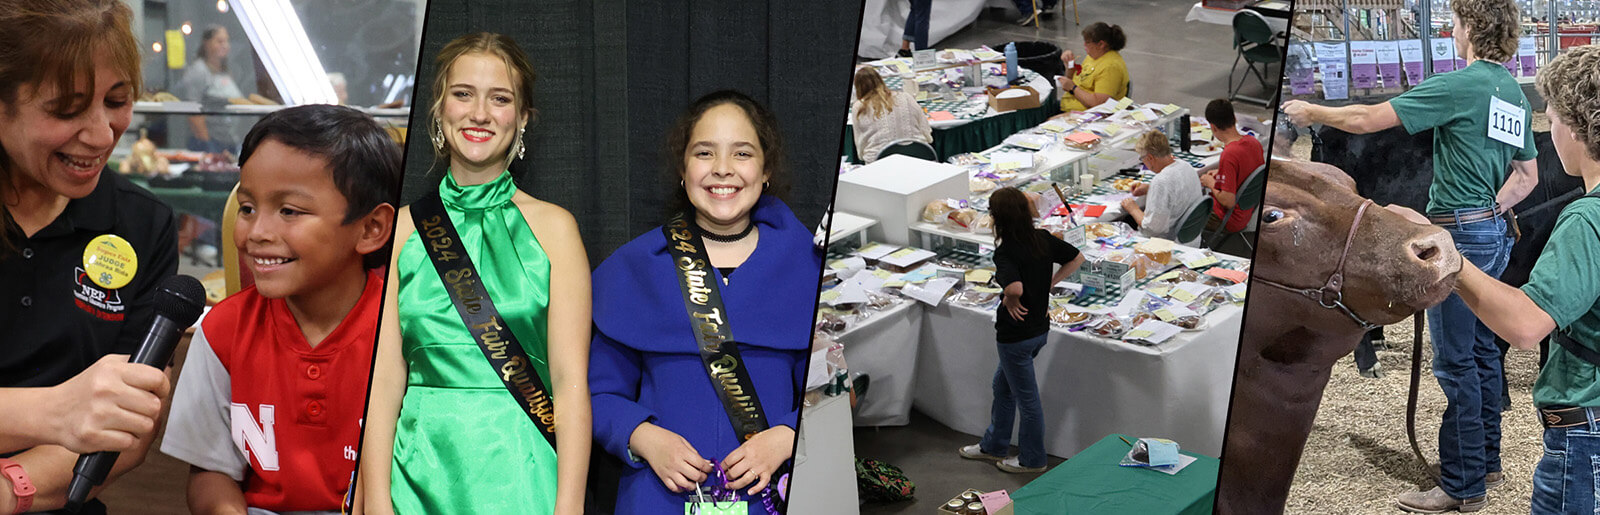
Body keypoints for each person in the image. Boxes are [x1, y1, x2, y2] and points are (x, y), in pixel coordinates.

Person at [1283, 0, 1538, 510]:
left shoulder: (1460, 85)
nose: (1452, 29)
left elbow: (1364, 117)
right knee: (1483, 354)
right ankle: (1485, 462)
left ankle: (1462, 486)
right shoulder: (1512, 91)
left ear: (1471, 29)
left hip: (1460, 239)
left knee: (1455, 364)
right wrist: (1490, 209)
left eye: (1457, 22)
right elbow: (1527, 177)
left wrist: (1310, 111)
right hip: (1490, 233)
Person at [360, 32, 592, 515]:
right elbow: (383, 380)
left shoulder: (556, 230)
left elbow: (571, 385)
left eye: (500, 98)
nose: (480, 113)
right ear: (440, 109)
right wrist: (376, 500)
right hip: (415, 476)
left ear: (523, 118)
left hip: (523, 477)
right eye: (464, 94)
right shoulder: (403, 228)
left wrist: (568, 508)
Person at [159, 105, 399, 515]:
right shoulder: (222, 332)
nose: (257, 233)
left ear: (371, 229)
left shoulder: (403, 333)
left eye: (289, 211)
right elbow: (210, 474)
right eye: (248, 208)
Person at [589, 90, 816, 514]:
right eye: (705, 153)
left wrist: (788, 434)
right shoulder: (633, 269)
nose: (723, 169)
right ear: (683, 168)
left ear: (766, 169)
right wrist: (643, 437)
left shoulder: (809, 266)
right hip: (658, 497)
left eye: (742, 153)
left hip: (772, 497)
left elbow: (827, 391)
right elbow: (596, 394)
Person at [0, 1, 180, 513]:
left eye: (118, 100)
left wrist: (12, 487)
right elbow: (78, 414)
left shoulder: (143, 225)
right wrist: (52, 412)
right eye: (67, 109)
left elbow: (128, 427)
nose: (103, 135)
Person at [1449, 44, 1600, 515]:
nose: (1549, 133)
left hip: (1586, 430)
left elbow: (1526, 325)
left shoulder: (1587, 219)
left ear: (1576, 127)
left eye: (1551, 120)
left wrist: (1447, 257)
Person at [958, 187, 1084, 473]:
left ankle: (1032, 459)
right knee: (1002, 387)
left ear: (997, 218)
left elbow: (1014, 286)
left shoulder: (1006, 252)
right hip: (1039, 329)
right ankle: (994, 444)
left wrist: (1011, 298)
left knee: (1027, 400)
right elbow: (1076, 258)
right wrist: (1051, 282)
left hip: (1015, 337)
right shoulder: (1041, 238)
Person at [1122, 130, 1205, 246]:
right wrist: (1149, 189)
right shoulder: (1185, 166)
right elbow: (1176, 190)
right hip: (1192, 239)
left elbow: (1152, 229)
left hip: (1167, 246)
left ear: (1150, 158)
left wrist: (1133, 209)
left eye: (1143, 159)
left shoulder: (1161, 181)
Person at [176, 26, 246, 154]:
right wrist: (208, 147)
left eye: (226, 41)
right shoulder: (199, 71)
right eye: (219, 41)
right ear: (207, 44)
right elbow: (193, 111)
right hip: (209, 143)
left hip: (229, 141)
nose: (225, 45)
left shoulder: (226, 71)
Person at [1200, 99, 1264, 234]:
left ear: (1213, 127)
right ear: (1234, 119)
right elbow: (1246, 172)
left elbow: (1228, 201)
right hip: (1248, 211)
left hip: (1228, 218)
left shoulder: (1229, 154)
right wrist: (1222, 172)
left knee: (1182, 211)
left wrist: (1210, 183)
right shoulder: (1253, 142)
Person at [852, 67, 932, 164]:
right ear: (880, 80)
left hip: (878, 164)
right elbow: (926, 132)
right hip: (918, 157)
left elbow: (861, 145)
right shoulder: (906, 97)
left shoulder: (859, 107)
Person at [1054, 22, 1128, 113]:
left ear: (1101, 44)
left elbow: (1099, 104)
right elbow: (1074, 79)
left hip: (1086, 115)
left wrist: (1073, 88)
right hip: (1069, 105)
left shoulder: (1110, 67)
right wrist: (1070, 66)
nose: (1084, 45)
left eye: (1087, 42)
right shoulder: (1094, 56)